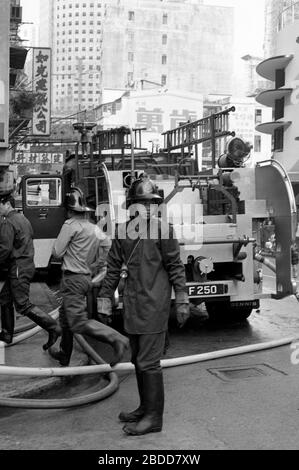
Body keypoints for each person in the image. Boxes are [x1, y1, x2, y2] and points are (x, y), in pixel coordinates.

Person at [97, 174, 190, 436]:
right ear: (132, 205)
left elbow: (175, 267)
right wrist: (105, 301)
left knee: (148, 363)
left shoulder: (164, 230)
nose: (146, 208)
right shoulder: (122, 232)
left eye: (150, 204)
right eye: (141, 203)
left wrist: (182, 300)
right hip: (133, 306)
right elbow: (112, 269)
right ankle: (144, 408)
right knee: (139, 360)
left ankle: (153, 418)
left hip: (154, 307)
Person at [49, 187, 129, 367]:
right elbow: (108, 246)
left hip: (73, 280)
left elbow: (56, 252)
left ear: (69, 211)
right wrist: (97, 263)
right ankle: (64, 354)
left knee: (77, 322)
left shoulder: (69, 226)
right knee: (65, 318)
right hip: (86, 279)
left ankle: (117, 339)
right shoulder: (94, 228)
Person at [0, 192, 61, 348]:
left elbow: (5, 249)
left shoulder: (8, 222)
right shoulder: (23, 219)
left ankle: (53, 327)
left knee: (22, 304)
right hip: (25, 264)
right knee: (4, 298)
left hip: (18, 267)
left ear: (7, 204)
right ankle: (6, 334)